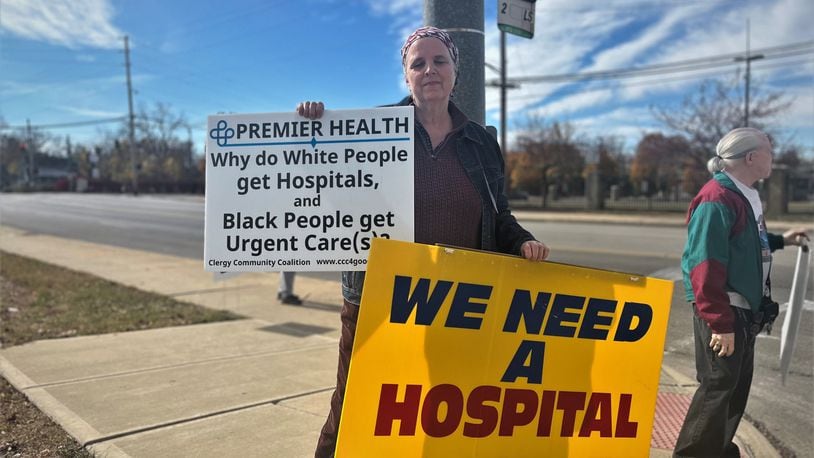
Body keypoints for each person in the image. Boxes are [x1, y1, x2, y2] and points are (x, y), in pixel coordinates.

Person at [297, 26, 550, 457]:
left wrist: (523, 241)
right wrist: (311, 129)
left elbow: (498, 213)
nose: (429, 70)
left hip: (455, 300)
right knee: (353, 402)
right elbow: (320, 185)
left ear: (456, 72)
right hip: (378, 294)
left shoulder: (483, 141)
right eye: (418, 63)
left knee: (444, 404)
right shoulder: (370, 130)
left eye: (440, 61)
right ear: (406, 75)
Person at [674, 127, 809, 457]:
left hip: (741, 310)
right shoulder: (716, 198)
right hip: (724, 309)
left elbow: (746, 243)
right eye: (769, 151)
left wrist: (781, 240)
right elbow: (703, 264)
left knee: (734, 387)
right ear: (751, 157)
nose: (773, 158)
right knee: (718, 388)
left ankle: (719, 450)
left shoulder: (743, 193)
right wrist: (720, 323)